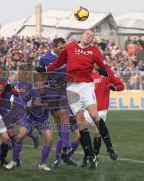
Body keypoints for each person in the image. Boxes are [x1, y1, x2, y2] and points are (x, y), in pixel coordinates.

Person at [36, 29, 116, 169]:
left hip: (86, 86)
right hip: (72, 88)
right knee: (80, 123)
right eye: (87, 34)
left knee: (94, 115)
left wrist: (105, 71)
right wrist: (45, 69)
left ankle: (109, 147)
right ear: (82, 35)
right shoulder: (71, 47)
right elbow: (58, 63)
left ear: (92, 39)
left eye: (91, 35)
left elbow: (102, 66)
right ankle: (90, 154)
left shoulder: (94, 51)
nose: (89, 36)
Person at [39, 38, 79, 167]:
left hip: (64, 92)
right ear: (54, 47)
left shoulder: (68, 57)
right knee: (62, 121)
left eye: (65, 47)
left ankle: (64, 152)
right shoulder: (45, 59)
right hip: (51, 94)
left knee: (74, 131)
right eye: (61, 48)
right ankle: (60, 155)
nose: (64, 50)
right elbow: (41, 77)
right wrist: (42, 93)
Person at [84, 66, 124, 157]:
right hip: (88, 108)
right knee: (81, 129)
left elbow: (121, 86)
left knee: (98, 132)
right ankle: (85, 154)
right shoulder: (86, 73)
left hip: (101, 110)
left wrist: (114, 87)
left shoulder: (107, 73)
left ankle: (97, 154)